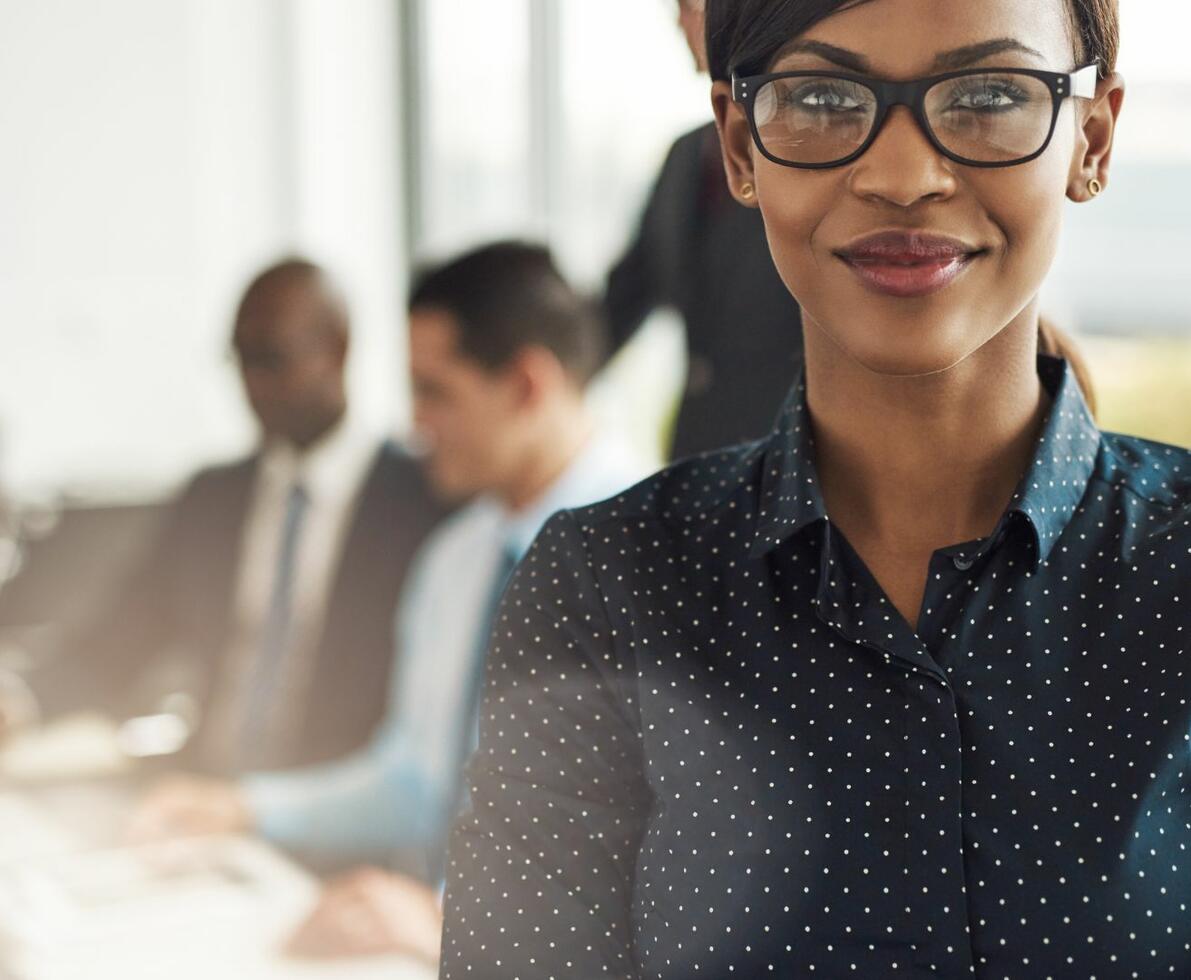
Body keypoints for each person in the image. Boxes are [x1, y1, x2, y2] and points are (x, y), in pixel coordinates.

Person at [441, 2, 1191, 977]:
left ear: (1091, 138)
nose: (901, 174)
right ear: (738, 143)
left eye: (991, 95)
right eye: (824, 98)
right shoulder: (604, 587)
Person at [129, 242, 648, 965]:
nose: (416, 425)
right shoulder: (453, 560)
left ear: (527, 385)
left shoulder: (668, 563)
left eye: (435, 393)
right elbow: (412, 780)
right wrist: (246, 809)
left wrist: (450, 920)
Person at [0, 260, 444, 773]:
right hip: (202, 798)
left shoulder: (419, 502)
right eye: (242, 359)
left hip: (342, 820)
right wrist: (21, 702)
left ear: (337, 348)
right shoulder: (212, 499)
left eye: (272, 359)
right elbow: (118, 639)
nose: (253, 385)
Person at [603, 0, 803, 460]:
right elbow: (626, 295)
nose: (679, 22)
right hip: (700, 457)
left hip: (794, 463)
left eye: (692, 6)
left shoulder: (815, 155)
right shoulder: (685, 156)